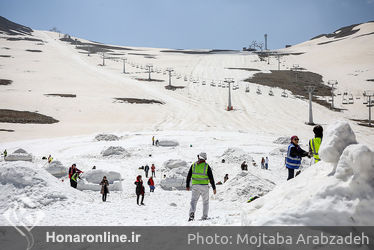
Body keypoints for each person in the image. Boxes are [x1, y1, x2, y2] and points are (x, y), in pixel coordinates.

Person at [186, 152, 216, 221]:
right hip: (204, 187)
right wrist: (214, 188)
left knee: (193, 201)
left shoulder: (193, 165)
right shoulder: (206, 166)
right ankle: (204, 216)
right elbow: (211, 178)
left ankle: (191, 214)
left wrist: (187, 185)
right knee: (205, 202)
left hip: (195, 186)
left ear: (199, 157)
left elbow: (188, 176)